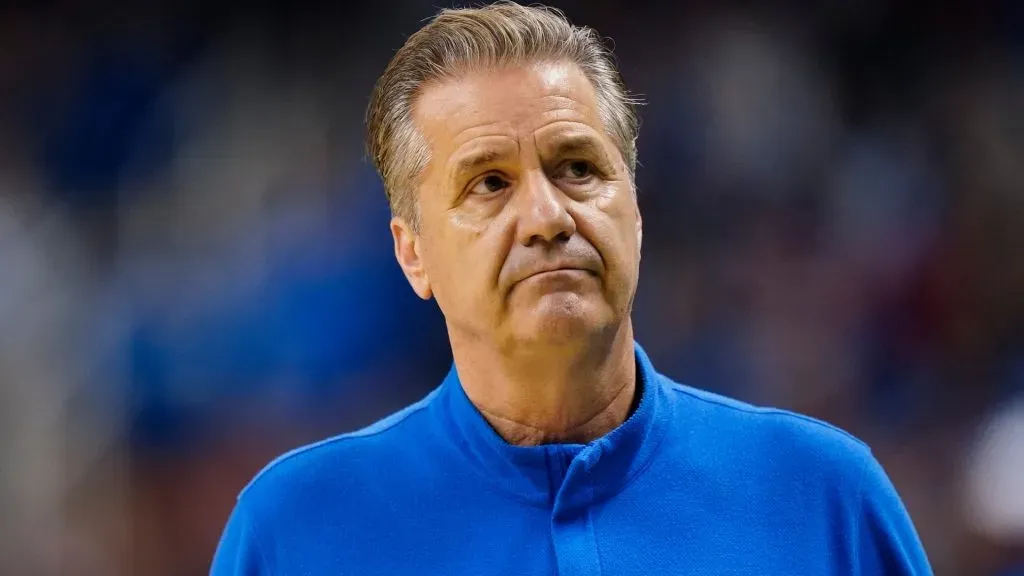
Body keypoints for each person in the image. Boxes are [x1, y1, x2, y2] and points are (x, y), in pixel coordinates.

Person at [211, 3, 933, 574]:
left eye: (579, 168)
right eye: (489, 183)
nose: (548, 217)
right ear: (413, 255)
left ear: (637, 212)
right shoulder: (294, 529)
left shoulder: (822, 497)